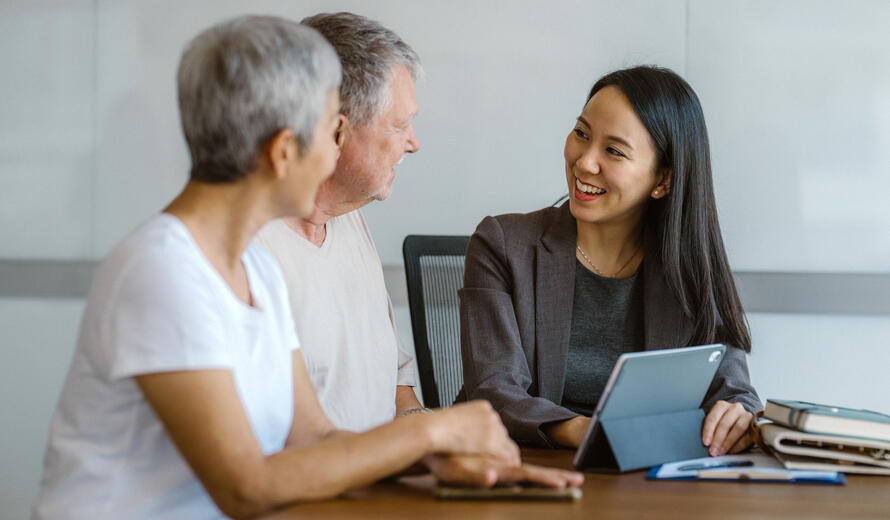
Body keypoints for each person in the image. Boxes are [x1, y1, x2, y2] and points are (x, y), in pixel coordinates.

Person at [32, 16, 581, 520]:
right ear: (282, 153)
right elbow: (244, 484)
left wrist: (436, 459)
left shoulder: (253, 271)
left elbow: (314, 436)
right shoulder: (163, 273)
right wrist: (432, 433)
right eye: (330, 133)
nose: (334, 152)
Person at [459, 66, 761, 455]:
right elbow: (493, 391)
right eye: (581, 134)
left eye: (614, 151)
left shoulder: (690, 267)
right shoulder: (502, 245)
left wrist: (736, 415)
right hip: (524, 469)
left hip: (650, 481)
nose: (585, 162)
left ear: (663, 181)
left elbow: (734, 391)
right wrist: (590, 434)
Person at [254, 12, 424, 429]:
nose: (413, 144)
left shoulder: (350, 219)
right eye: (400, 125)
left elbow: (396, 380)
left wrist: (425, 432)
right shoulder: (245, 251)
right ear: (336, 132)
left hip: (382, 481)